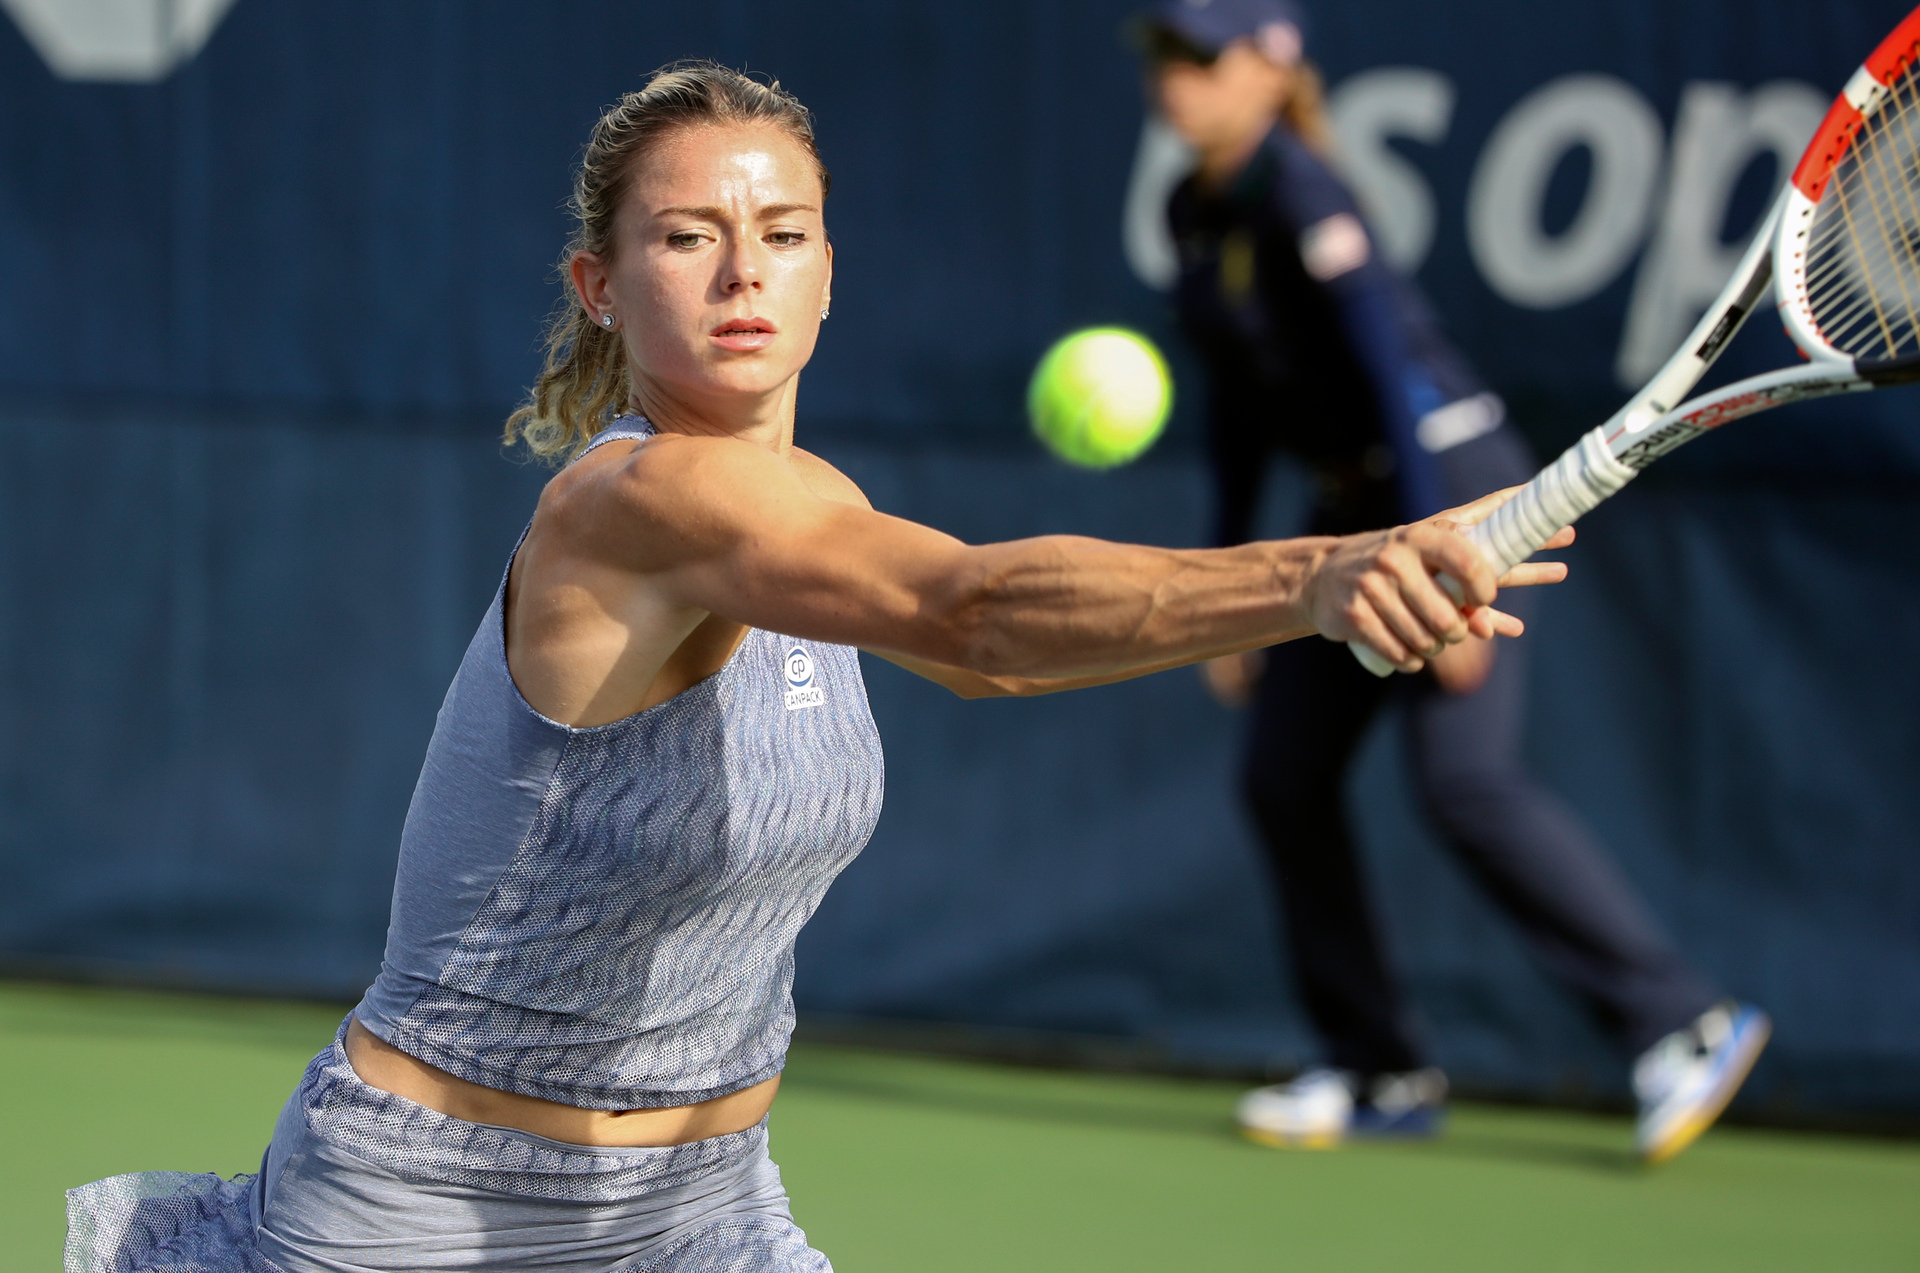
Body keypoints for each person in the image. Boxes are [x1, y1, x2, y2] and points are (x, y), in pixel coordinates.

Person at [64, 62, 1567, 1272]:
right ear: (599, 285)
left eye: (782, 233)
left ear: (830, 272)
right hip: (429, 1220)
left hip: (705, 1212)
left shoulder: (817, 509)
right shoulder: (636, 502)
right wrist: (1315, 575)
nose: (742, 272)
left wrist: (1310, 586)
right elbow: (974, 613)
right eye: (685, 235)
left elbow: (987, 662)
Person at [1135, 0, 1770, 1162]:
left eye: (1201, 54)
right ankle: (1379, 1068)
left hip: (1453, 491)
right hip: (1352, 513)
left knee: (1464, 782)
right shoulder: (1191, 208)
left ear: (1272, 72)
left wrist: (1458, 562)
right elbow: (1237, 414)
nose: (1174, 77)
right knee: (1285, 774)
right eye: (1162, 53)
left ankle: (1683, 1020)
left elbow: (1391, 377)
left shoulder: (1306, 194)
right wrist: (1219, 594)